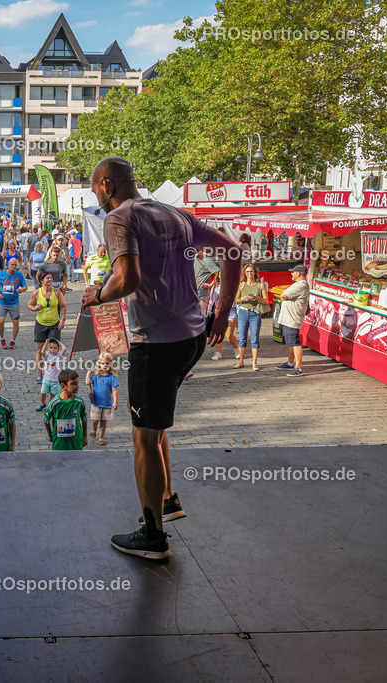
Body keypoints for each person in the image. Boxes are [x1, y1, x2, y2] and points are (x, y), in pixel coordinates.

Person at [80, 156, 240, 561]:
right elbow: (234, 252)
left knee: (143, 437)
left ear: (105, 185)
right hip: (192, 337)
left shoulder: (118, 219)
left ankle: (153, 538)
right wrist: (221, 313)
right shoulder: (177, 213)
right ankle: (167, 499)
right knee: (154, 418)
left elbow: (126, 279)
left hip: (156, 342)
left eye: (95, 188)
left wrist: (95, 294)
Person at [275, 264, 310, 376]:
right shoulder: (297, 284)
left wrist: (283, 295)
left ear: (298, 273)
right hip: (288, 318)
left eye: (293, 272)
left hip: (293, 318)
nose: (291, 273)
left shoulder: (301, 285)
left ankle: (298, 368)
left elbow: (284, 295)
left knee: (295, 343)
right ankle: (290, 363)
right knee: (290, 342)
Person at [43, 369, 87, 451]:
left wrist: (84, 436)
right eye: (73, 384)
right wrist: (50, 435)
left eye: (77, 382)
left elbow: (84, 419)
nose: (77, 385)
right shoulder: (55, 403)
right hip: (60, 444)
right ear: (63, 386)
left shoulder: (79, 401)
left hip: (76, 443)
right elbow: (46, 420)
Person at [234, 264, 267, 371]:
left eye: (251, 271)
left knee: (254, 339)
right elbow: (236, 300)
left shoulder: (260, 285)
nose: (249, 274)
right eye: (247, 272)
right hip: (243, 313)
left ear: (255, 273)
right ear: (245, 273)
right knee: (242, 339)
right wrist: (243, 298)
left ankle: (254, 363)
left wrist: (257, 297)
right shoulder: (241, 285)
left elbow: (266, 301)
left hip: (255, 314)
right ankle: (241, 361)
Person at [86, 352, 120, 446]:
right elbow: (88, 382)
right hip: (96, 402)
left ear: (111, 365)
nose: (105, 365)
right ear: (99, 364)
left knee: (103, 421)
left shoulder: (112, 378)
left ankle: (101, 436)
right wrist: (89, 373)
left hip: (107, 403)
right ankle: (94, 428)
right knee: (95, 420)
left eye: (107, 363)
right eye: (103, 363)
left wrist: (115, 402)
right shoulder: (96, 376)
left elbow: (114, 391)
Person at [0, 257, 28, 349]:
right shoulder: (1, 274)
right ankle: (2, 339)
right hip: (2, 302)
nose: (13, 266)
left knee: (15, 323)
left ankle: (13, 340)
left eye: (15, 265)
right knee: (1, 322)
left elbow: (25, 287)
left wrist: (21, 290)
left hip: (14, 303)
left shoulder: (19, 275)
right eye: (12, 264)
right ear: (8, 264)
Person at [38, 337, 65, 412]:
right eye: (51, 348)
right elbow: (42, 352)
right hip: (46, 379)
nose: (53, 349)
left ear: (58, 349)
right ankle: (42, 404)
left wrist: (59, 343)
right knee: (43, 393)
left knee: (53, 395)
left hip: (55, 380)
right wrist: (46, 343)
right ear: (48, 348)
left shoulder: (59, 356)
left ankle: (51, 406)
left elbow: (65, 349)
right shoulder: (47, 356)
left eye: (55, 348)